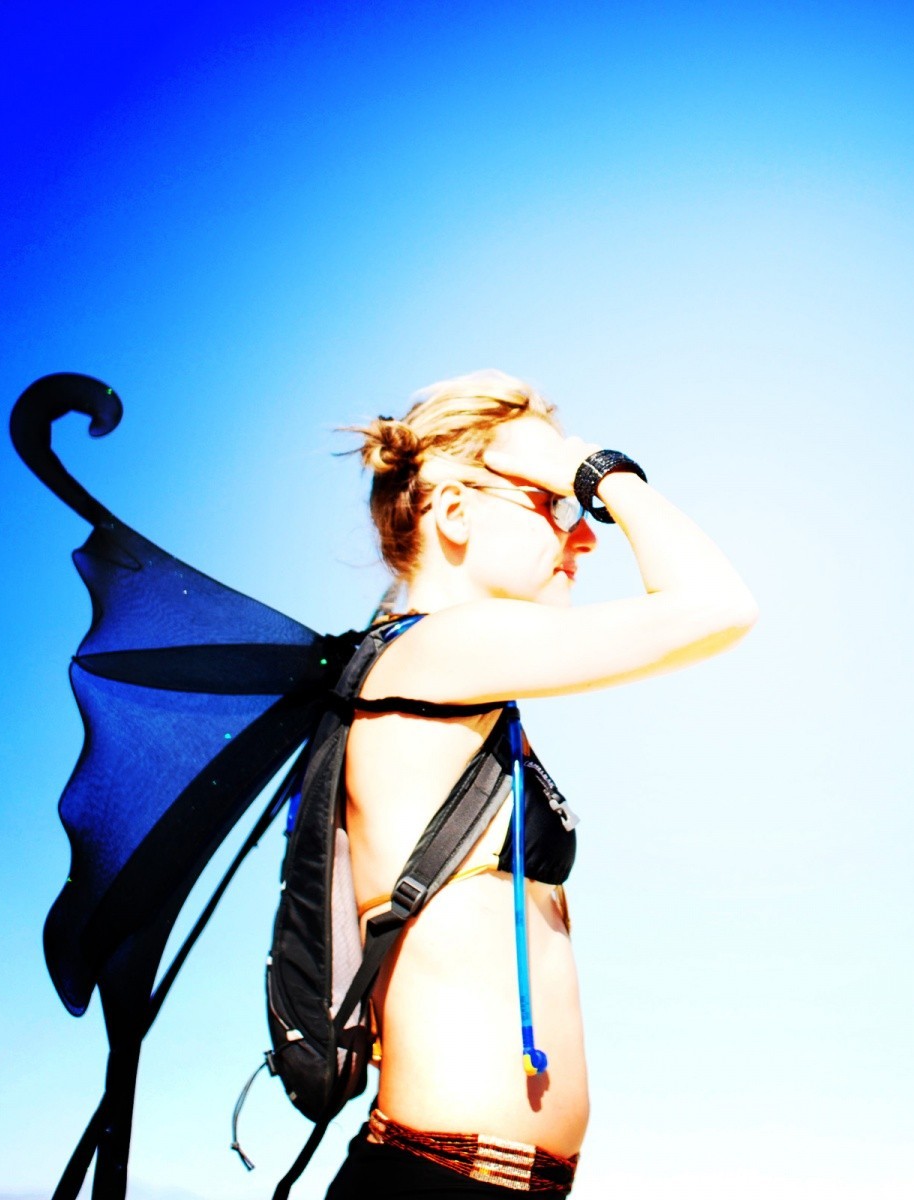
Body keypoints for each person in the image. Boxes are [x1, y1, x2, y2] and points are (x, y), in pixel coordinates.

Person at [323, 370, 758, 1198]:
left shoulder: (442, 677)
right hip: (433, 1181)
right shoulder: (433, 650)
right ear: (454, 512)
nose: (584, 534)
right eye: (552, 501)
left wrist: (549, 471)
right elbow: (718, 606)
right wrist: (599, 470)